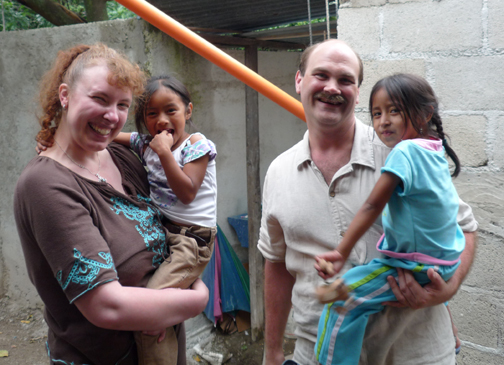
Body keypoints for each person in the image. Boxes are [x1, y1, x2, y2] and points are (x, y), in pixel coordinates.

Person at [257, 39, 478, 365]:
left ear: (357, 93)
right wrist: (273, 351)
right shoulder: (278, 171)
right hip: (314, 354)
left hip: (411, 353)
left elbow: (464, 229)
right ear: (299, 81)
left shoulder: (400, 151)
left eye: (345, 80)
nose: (332, 88)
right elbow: (277, 264)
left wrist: (450, 286)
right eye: (321, 75)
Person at [14, 43, 209, 365]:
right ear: (65, 95)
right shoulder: (46, 184)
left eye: (123, 105)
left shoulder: (122, 157)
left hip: (163, 348)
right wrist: (196, 299)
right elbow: (107, 305)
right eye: (99, 99)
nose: (112, 116)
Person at [314, 73, 465, 365]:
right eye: (377, 113)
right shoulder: (434, 148)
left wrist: (340, 251)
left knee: (342, 300)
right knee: (369, 270)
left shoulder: (405, 151)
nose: (383, 120)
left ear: (425, 113)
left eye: (394, 110)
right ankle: (451, 333)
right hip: (444, 262)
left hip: (415, 264)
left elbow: (372, 205)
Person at [114, 75, 217, 365]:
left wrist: (164, 153)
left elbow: (187, 192)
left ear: (188, 111)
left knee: (149, 315)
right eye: (151, 113)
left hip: (191, 242)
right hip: (165, 236)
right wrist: (56, 138)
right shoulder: (144, 144)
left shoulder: (197, 145)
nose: (161, 120)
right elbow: (106, 135)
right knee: (159, 312)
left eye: (170, 110)